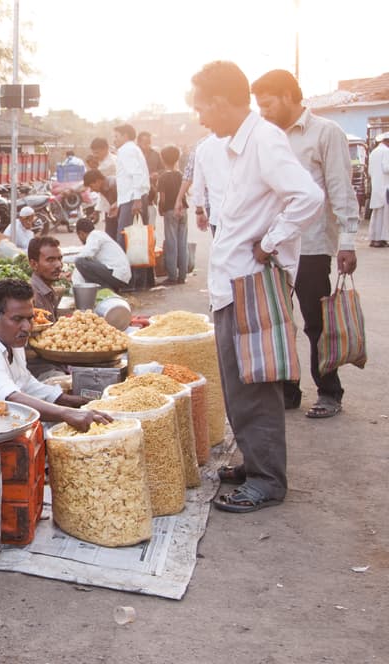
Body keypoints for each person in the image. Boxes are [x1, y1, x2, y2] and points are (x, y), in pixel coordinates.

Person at [189, 60, 323, 513]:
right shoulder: (229, 146)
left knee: (255, 385)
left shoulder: (264, 139)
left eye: (203, 106)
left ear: (224, 102)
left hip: (250, 282)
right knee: (237, 381)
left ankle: (268, 480)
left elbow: (308, 197)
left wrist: (270, 241)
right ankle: (254, 460)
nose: (200, 116)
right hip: (231, 282)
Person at [252, 69, 361, 417]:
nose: (264, 112)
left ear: (287, 95)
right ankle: (289, 389)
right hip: (274, 245)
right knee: (280, 321)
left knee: (316, 322)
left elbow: (340, 189)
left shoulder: (326, 132)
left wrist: (348, 241)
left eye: (268, 104)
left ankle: (329, 391)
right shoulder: (266, 136)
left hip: (312, 244)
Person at [0, 279, 109, 429]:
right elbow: (11, 398)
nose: (27, 327)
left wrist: (72, 401)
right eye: (17, 319)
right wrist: (66, 413)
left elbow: (25, 383)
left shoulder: (11, 339)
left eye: (29, 318)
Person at [112, 124, 150, 247]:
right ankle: (138, 266)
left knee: (124, 237)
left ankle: (122, 266)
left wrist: (137, 199)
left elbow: (137, 174)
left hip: (132, 199)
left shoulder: (126, 150)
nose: (114, 139)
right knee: (137, 240)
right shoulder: (133, 149)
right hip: (132, 197)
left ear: (125, 136)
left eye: (116, 136)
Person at [70, 219, 131, 292]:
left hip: (117, 274)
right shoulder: (99, 235)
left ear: (81, 233)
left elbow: (84, 255)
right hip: (120, 276)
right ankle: (108, 288)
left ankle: (105, 289)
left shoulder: (94, 235)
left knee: (80, 262)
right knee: (83, 262)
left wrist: (64, 259)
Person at [158, 145, 187, 284]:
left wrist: (161, 207)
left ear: (163, 159)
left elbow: (162, 197)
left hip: (170, 210)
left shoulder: (163, 177)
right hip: (183, 210)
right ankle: (182, 275)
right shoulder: (181, 175)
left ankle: (172, 276)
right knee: (182, 242)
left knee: (171, 243)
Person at [27, 236, 64, 317]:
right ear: (34, 264)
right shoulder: (32, 298)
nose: (59, 265)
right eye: (50, 260)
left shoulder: (47, 290)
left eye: (60, 259)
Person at [137, 131, 164, 225]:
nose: (147, 144)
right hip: (138, 191)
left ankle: (151, 237)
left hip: (152, 191)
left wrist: (157, 173)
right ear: (139, 142)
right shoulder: (135, 155)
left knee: (151, 217)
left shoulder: (155, 154)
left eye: (149, 142)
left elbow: (162, 169)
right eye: (145, 142)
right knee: (138, 220)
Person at [83, 169, 119, 239]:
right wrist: (96, 212)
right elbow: (102, 200)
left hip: (123, 210)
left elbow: (126, 197)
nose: (91, 190)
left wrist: (117, 203)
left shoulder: (114, 183)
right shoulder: (102, 187)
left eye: (91, 186)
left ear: (98, 181)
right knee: (109, 234)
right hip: (113, 211)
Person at [369, 132, 389, 247]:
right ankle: (381, 239)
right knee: (385, 215)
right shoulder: (386, 151)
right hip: (385, 187)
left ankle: (374, 238)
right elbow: (386, 168)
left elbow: (370, 172)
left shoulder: (374, 152)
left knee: (377, 214)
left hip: (376, 187)